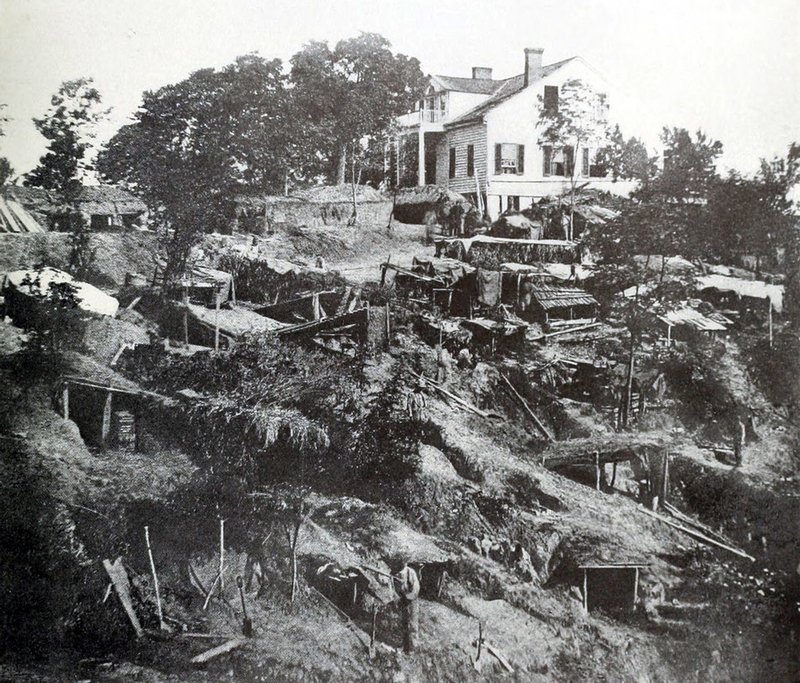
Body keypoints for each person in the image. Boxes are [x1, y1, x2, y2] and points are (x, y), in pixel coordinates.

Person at [395, 560, 420, 653]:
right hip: (403, 601)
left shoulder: (410, 572)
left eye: (404, 561)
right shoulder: (397, 574)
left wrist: (408, 597)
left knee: (412, 625)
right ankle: (404, 646)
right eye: (400, 561)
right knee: (404, 624)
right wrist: (399, 598)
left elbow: (416, 589)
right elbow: (396, 589)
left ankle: (413, 648)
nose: (402, 563)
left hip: (412, 602)